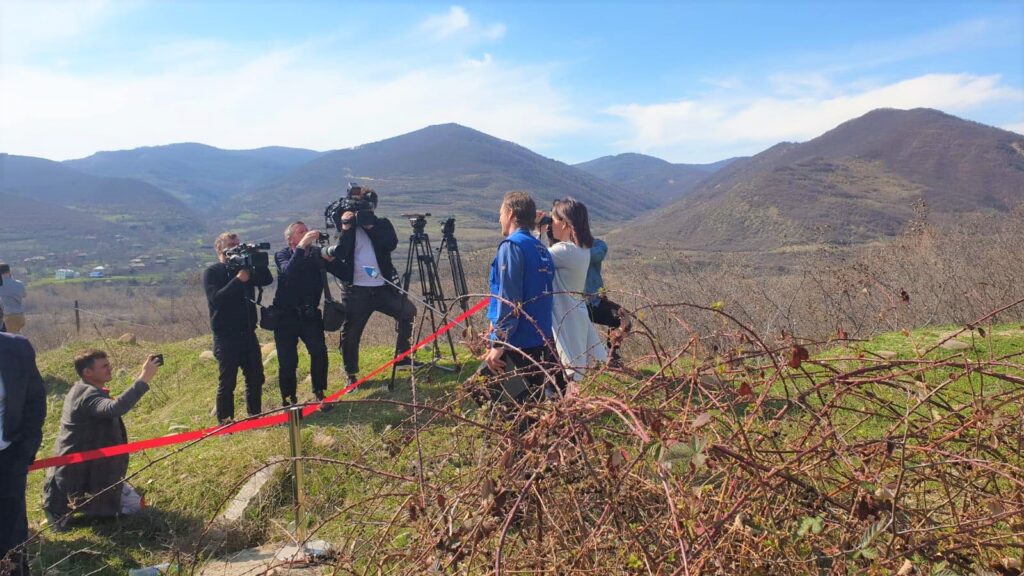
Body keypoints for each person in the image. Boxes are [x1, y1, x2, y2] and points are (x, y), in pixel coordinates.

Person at [42, 351, 160, 531]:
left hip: (93, 469)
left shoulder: (83, 388)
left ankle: (92, 505)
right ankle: (58, 509)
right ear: (87, 372)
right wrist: (144, 378)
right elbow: (115, 408)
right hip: (75, 476)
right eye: (104, 366)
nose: (109, 368)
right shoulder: (87, 395)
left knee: (137, 505)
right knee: (130, 509)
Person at [474, 190, 560, 403]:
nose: (499, 219)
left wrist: (498, 344)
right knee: (530, 405)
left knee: (487, 396)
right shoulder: (541, 248)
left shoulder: (511, 246)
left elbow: (509, 299)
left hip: (517, 343)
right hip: (540, 340)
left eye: (501, 213)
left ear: (511, 213)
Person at [324, 186, 415, 384]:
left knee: (407, 311)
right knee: (352, 332)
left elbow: (390, 243)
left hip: (382, 287)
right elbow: (341, 252)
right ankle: (351, 374)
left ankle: (402, 356)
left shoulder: (381, 224)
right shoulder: (344, 228)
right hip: (356, 290)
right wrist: (347, 227)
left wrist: (370, 227)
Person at [203, 232, 273, 423]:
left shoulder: (245, 270)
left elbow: (267, 279)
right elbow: (216, 299)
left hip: (248, 333)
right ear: (219, 248)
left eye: (237, 244)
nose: (234, 246)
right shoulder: (213, 272)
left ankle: (255, 416)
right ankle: (225, 422)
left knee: (256, 377)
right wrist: (237, 280)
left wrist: (255, 259)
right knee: (228, 382)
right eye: (230, 244)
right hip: (226, 336)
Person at [539, 198, 608, 386]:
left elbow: (535, 258)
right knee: (571, 370)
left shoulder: (564, 251)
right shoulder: (581, 249)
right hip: (574, 312)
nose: (551, 225)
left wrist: (534, 230)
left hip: (562, 317)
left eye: (553, 220)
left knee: (563, 370)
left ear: (565, 223)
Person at [0, 307, 46, 576]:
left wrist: (25, 447)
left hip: (8, 454)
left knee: (12, 532)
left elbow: (35, 399)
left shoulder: (16, 350)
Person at [273, 222, 334, 406]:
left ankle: (319, 392)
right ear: (290, 239)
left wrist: (334, 256)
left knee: (319, 353)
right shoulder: (282, 255)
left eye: (307, 231)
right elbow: (288, 272)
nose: (307, 233)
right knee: (288, 361)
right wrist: (301, 247)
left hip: (309, 314)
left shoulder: (315, 254)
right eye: (301, 232)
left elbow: (340, 270)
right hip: (285, 317)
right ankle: (289, 399)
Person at [584, 238, 631, 366]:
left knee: (621, 317)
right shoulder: (565, 247)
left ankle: (611, 354)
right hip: (577, 303)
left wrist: (602, 293)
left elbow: (598, 253)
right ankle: (596, 359)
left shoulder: (595, 245)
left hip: (594, 300)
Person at [0, 264, 27, 334]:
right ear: (9, 272)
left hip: (8, 317)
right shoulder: (19, 284)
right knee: (17, 337)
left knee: (10, 339)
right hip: (20, 316)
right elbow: (24, 295)